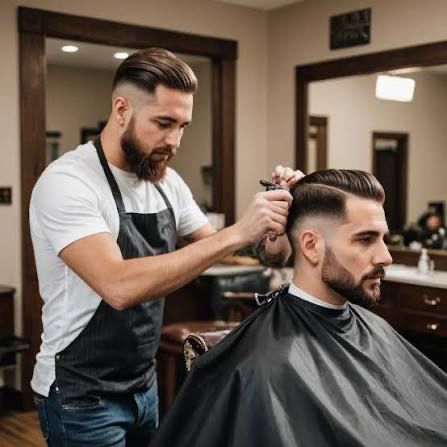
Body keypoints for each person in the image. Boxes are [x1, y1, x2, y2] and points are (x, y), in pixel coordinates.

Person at [29, 47, 301, 446]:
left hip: (144, 384)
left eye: (182, 126)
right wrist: (239, 230)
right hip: (80, 394)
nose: (174, 141)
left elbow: (248, 254)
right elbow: (118, 286)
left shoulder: (167, 184)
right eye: (163, 123)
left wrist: (276, 224)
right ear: (121, 109)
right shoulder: (68, 182)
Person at [151, 169, 447, 447]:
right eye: (366, 239)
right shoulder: (266, 368)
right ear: (311, 246)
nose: (385, 257)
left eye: (383, 238)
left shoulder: (374, 328)